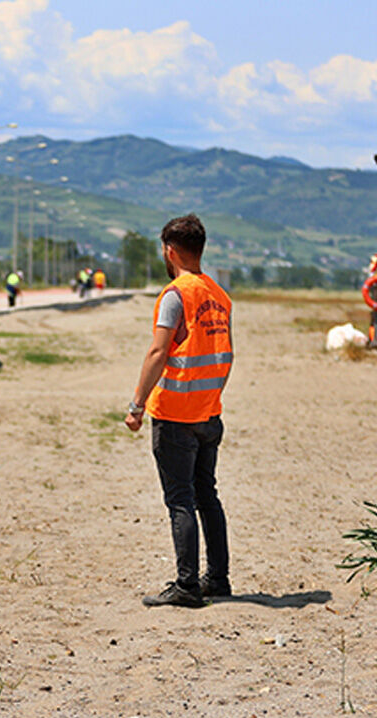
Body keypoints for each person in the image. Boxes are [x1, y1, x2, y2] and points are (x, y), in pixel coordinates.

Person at [124, 214, 233, 609]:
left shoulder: (175, 295)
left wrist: (137, 405)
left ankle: (187, 585)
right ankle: (217, 579)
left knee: (181, 500)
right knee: (207, 497)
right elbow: (226, 355)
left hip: (175, 415)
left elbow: (158, 352)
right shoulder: (220, 296)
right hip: (209, 414)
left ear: (169, 251)